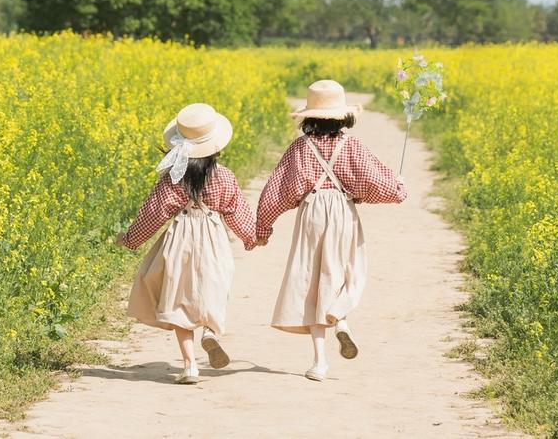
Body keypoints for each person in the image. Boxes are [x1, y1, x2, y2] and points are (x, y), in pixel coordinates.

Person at [255, 79, 407, 381]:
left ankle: (319, 362)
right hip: (342, 211)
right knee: (348, 269)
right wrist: (398, 187)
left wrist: (263, 226)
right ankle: (340, 317)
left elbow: (279, 190)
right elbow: (373, 180)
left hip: (311, 211)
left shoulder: (299, 148)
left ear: (309, 116)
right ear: (343, 116)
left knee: (313, 279)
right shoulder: (352, 145)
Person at [117, 101, 257, 385]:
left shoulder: (173, 178)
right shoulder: (224, 176)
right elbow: (236, 211)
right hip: (213, 236)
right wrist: (251, 237)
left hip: (180, 236)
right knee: (215, 286)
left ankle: (190, 365)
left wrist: (130, 238)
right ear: (215, 147)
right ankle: (210, 332)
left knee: (179, 299)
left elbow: (154, 213)